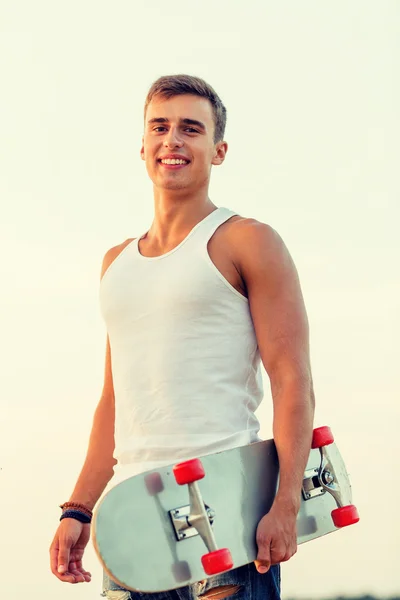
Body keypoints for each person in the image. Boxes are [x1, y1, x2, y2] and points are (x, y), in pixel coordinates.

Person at [49, 74, 315, 600]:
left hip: (226, 518)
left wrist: (286, 504)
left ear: (218, 150)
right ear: (143, 146)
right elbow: (115, 401)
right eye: (160, 127)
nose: (172, 140)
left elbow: (292, 382)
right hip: (132, 526)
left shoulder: (247, 240)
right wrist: (79, 508)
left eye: (190, 129)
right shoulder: (116, 263)